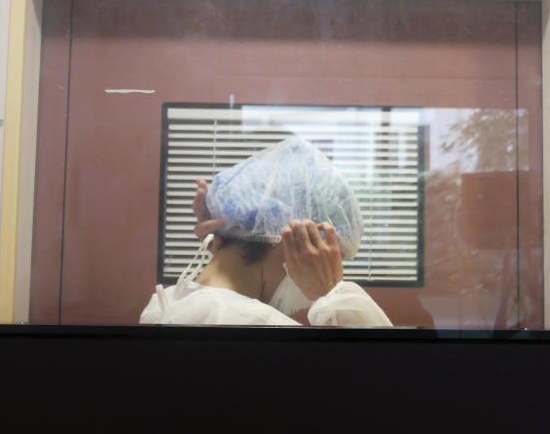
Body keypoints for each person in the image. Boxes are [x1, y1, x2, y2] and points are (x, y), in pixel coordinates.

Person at [139, 136, 392, 326]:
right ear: (293, 239)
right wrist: (331, 292)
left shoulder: (170, 303)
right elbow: (388, 381)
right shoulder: (261, 329)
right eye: (320, 256)